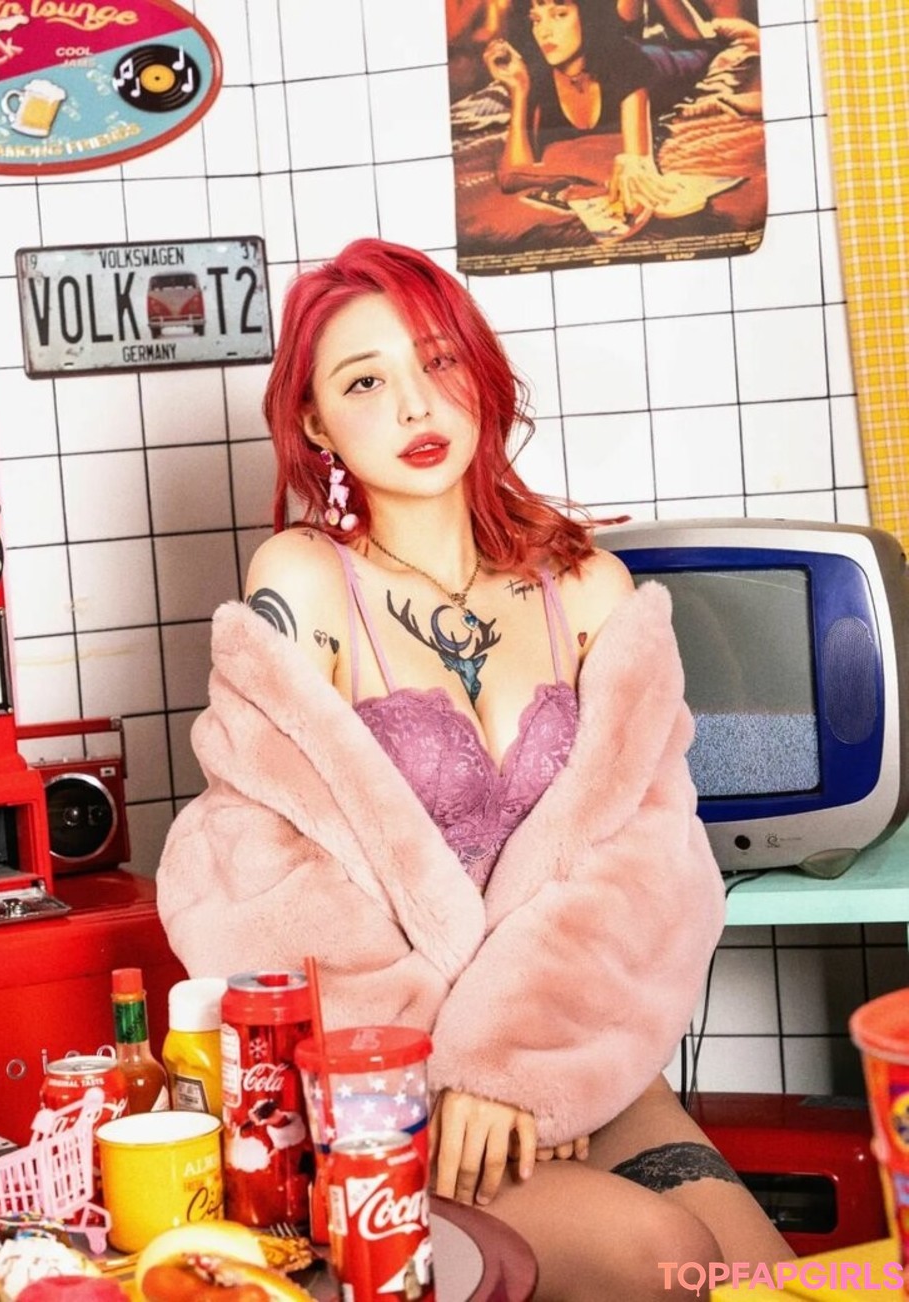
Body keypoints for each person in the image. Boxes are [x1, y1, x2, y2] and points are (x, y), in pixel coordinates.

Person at [156, 238, 792, 1300]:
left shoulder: (585, 586)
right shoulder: (305, 581)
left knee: (765, 1277)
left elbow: (651, 853)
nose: (415, 404)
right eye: (366, 382)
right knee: (656, 1260)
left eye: (438, 362)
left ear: (480, 374)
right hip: (386, 1094)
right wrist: (446, 1081)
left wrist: (520, 1068)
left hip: (574, 1052)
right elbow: (256, 871)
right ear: (314, 423)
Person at [484, 0, 719, 215]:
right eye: (536, 20)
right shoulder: (537, 77)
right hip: (619, 38)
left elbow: (638, 166)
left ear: (588, 17)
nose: (544, 32)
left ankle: (702, 36)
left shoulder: (626, 63)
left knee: (706, 47)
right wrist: (519, 90)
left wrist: (630, 164)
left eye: (559, 15)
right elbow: (513, 175)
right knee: (623, 25)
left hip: (666, 60)